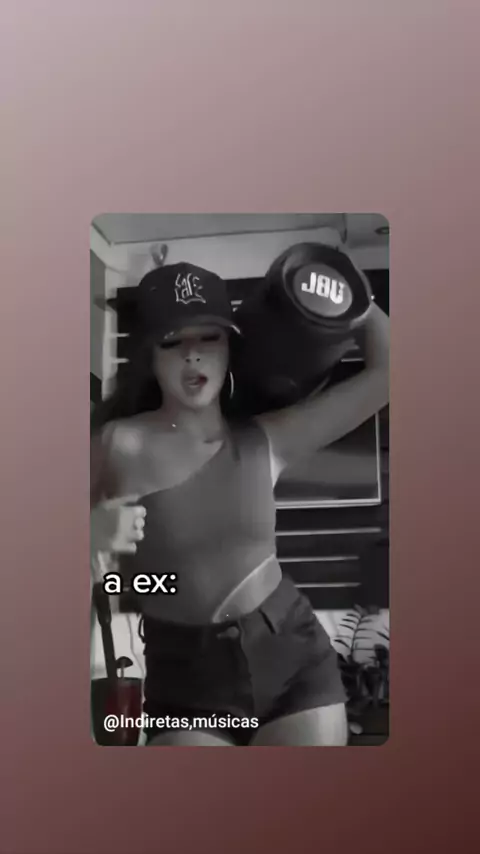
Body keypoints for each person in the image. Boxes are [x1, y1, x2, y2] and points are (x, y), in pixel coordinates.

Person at [90, 260, 389, 746]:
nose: (193, 354)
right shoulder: (116, 444)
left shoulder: (266, 440)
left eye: (209, 337)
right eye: (173, 341)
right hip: (186, 678)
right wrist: (88, 532)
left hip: (292, 657)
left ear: (230, 346)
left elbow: (387, 374)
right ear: (150, 354)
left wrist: (347, 289)